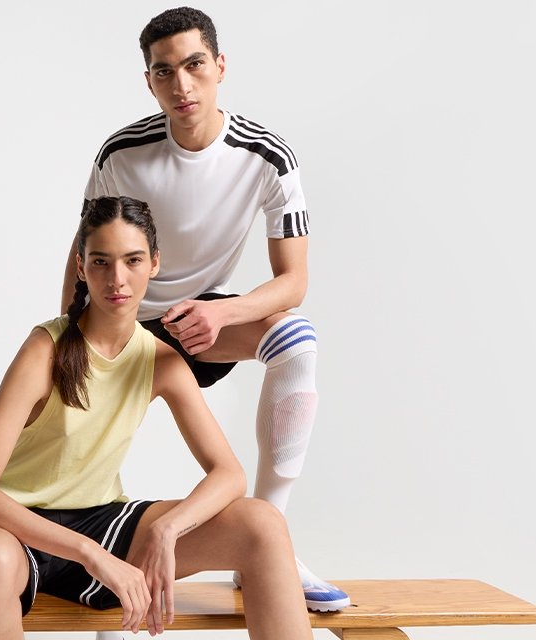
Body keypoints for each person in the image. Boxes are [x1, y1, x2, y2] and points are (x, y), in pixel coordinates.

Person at [64, 6, 348, 614]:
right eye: (164, 72)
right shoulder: (123, 152)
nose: (182, 85)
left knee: (295, 338)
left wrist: (226, 313)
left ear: (220, 66)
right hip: (118, 324)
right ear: (149, 81)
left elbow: (293, 281)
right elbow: (84, 253)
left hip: (201, 323)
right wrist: (67, 338)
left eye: (194, 65)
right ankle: (89, 581)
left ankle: (270, 538)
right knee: (71, 462)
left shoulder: (268, 157)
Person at [0, 196, 313, 640]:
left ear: (154, 263)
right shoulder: (44, 349)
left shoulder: (161, 360)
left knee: (262, 524)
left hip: (102, 521)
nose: (117, 279)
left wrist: (168, 529)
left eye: (132, 260)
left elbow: (229, 474)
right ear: (81, 267)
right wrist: (89, 553)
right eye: (101, 262)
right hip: (9, 528)